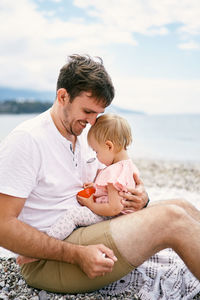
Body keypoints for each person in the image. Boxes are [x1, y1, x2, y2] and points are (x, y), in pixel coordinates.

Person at [0, 54, 200, 295]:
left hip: (88, 226)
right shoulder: (27, 140)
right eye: (87, 111)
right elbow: (3, 225)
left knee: (182, 206)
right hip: (48, 259)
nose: (93, 121)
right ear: (63, 96)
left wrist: (141, 198)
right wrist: (75, 254)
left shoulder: (83, 136)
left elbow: (109, 181)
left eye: (98, 113)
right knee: (172, 219)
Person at [18, 113, 140, 263]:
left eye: (97, 151)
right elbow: (117, 194)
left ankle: (38, 250)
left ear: (109, 146)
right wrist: (97, 187)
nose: (96, 156)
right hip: (123, 216)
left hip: (113, 217)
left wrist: (90, 204)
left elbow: (114, 208)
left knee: (73, 215)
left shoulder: (113, 172)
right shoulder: (128, 166)